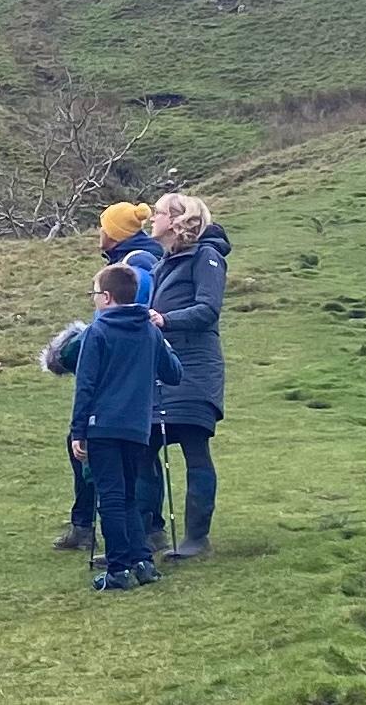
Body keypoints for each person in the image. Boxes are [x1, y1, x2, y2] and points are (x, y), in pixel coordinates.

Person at [45, 203, 166, 553]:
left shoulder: (135, 263)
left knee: (102, 454)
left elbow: (129, 314)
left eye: (102, 225)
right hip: (131, 374)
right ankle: (135, 533)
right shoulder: (137, 259)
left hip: (117, 380)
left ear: (113, 232)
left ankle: (127, 535)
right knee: (134, 458)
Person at [71, 260, 184, 589]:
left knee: (111, 497)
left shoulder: (98, 331)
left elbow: (86, 385)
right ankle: (143, 561)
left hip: (103, 425)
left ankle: (118, 568)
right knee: (130, 495)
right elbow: (174, 372)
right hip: (138, 426)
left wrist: (79, 431)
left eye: (94, 293)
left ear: (106, 297)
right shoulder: (150, 331)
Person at [147, 191, 229, 560]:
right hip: (162, 369)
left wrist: (165, 320)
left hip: (195, 369)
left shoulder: (205, 257)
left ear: (179, 221)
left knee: (195, 450)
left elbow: (208, 310)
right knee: (142, 447)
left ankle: (197, 538)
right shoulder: (164, 263)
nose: (151, 218)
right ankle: (147, 534)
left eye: (159, 213)